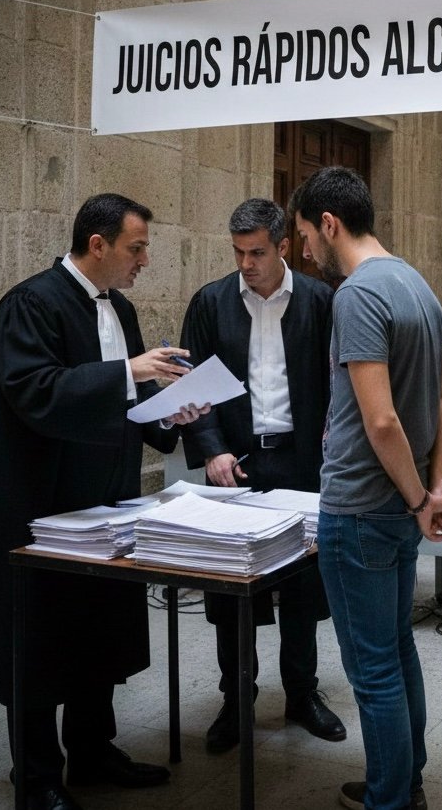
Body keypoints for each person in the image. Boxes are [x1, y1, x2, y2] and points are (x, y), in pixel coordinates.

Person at [0, 193, 209, 810]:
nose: (144, 260)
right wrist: (130, 372)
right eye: (136, 248)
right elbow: (33, 390)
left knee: (95, 628)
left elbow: (125, 406)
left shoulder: (120, 307)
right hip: (41, 505)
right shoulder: (31, 303)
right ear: (98, 245)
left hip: (106, 500)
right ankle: (37, 777)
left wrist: (172, 414)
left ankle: (93, 750)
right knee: (40, 638)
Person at [291, 166, 442, 810]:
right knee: (396, 649)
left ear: (330, 225)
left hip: (362, 508)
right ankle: (404, 781)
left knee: (373, 670)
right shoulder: (416, 283)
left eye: (306, 235)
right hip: (397, 504)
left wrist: (424, 496)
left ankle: (390, 799)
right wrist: (433, 483)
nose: (304, 250)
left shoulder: (358, 294)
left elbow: (381, 418)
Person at [180, 197, 345, 755]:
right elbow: (193, 387)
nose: (245, 263)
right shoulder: (211, 302)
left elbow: (340, 384)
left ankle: (302, 694)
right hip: (237, 464)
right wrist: (210, 450)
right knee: (234, 593)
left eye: (256, 252)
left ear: (283, 248)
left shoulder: (322, 301)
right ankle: (237, 700)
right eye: (238, 253)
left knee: (302, 587)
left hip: (301, 462)